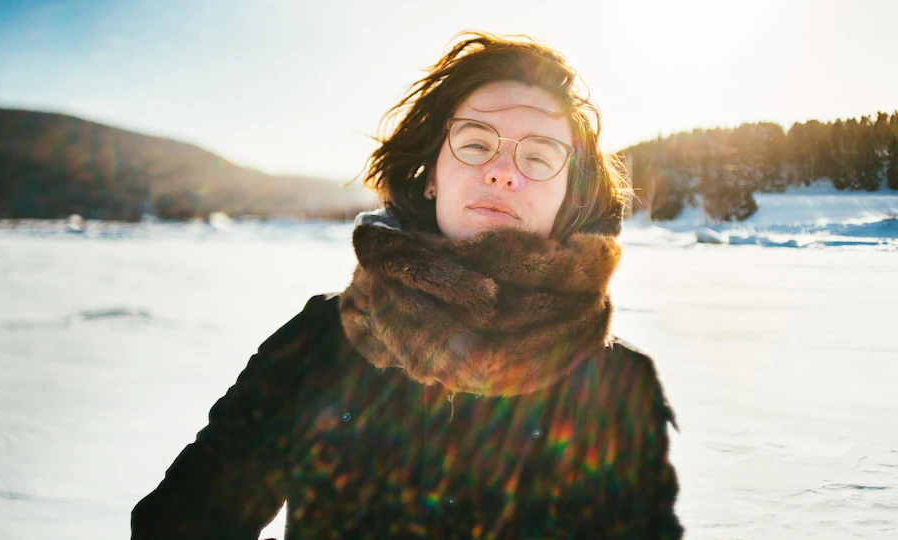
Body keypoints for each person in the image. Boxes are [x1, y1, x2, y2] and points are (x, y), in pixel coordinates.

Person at [131, 31, 682, 539]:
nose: (502, 171)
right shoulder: (321, 343)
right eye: (474, 144)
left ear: (572, 195)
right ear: (430, 172)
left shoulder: (616, 388)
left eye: (538, 156)